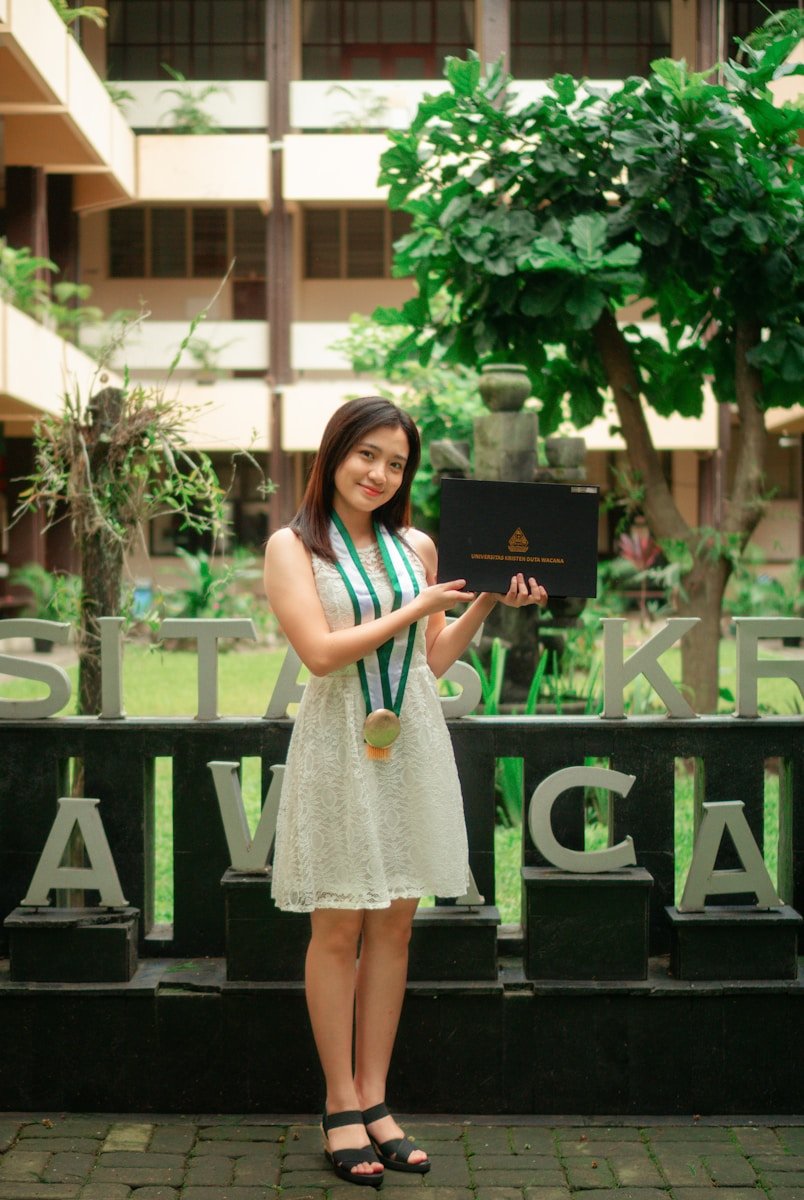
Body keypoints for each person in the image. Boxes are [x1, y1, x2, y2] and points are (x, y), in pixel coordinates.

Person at [263, 396, 547, 1188]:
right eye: (368, 456)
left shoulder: (415, 543)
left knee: (393, 929)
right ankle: (339, 1102)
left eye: (396, 463)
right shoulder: (293, 548)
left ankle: (378, 1101)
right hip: (337, 739)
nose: (380, 474)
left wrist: (484, 596)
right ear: (335, 453)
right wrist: (416, 609)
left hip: (410, 736)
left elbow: (431, 660)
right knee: (336, 930)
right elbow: (320, 655)